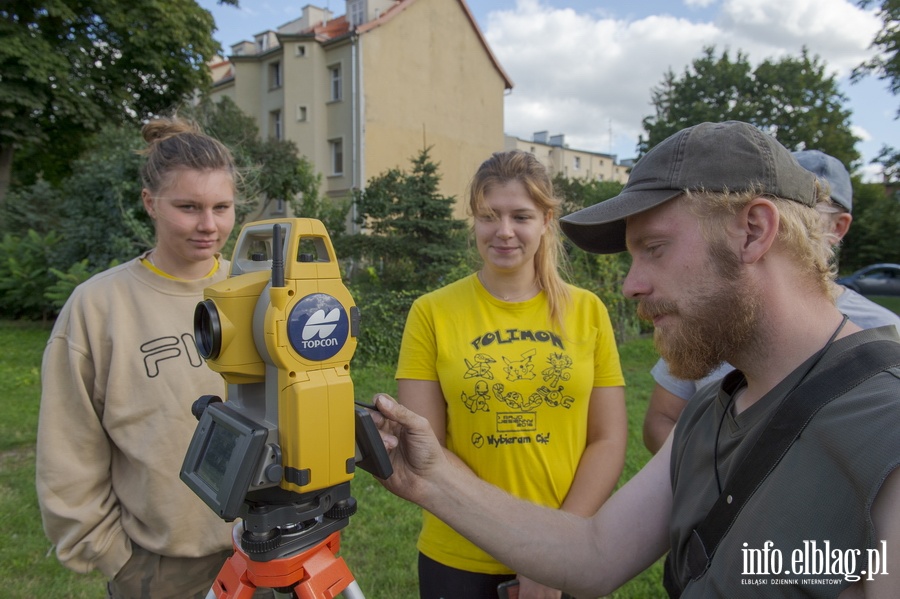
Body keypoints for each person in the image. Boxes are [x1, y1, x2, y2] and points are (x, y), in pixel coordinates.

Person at [369, 121, 900, 598]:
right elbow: (593, 553)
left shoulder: (884, 427)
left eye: (655, 248)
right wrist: (430, 478)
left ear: (754, 231)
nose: (630, 284)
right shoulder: (707, 414)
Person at [395, 150, 627, 598]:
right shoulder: (431, 313)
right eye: (488, 216)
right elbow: (429, 449)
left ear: (546, 220)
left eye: (520, 216)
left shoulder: (588, 312)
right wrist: (521, 540)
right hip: (460, 552)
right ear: (473, 221)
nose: (503, 232)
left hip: (569, 550)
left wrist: (553, 548)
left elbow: (608, 440)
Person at [36, 116, 246, 598]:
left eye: (222, 207)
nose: (208, 225)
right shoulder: (100, 306)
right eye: (188, 207)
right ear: (150, 202)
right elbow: (67, 447)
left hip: (264, 551)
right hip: (159, 569)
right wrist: (114, 557)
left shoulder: (257, 293)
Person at [642, 149, 900, 454]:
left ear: (839, 227)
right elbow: (663, 417)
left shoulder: (887, 334)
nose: (783, 226)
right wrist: (705, 482)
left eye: (806, 211)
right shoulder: (712, 312)